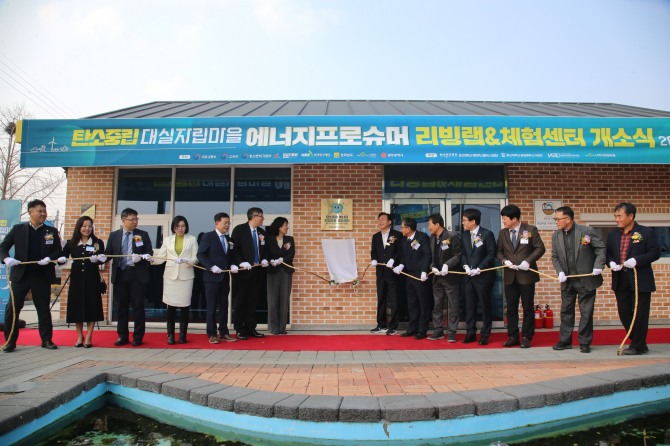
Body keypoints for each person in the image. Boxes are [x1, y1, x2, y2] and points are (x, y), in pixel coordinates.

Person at [1, 199, 62, 352]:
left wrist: (49, 258)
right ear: (30, 212)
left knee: (43, 309)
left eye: (44, 211)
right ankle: (10, 341)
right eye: (40, 211)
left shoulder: (51, 231)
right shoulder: (18, 229)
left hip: (41, 276)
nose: (43, 214)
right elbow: (3, 247)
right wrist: (6, 259)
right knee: (12, 309)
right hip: (21, 276)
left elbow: (58, 250)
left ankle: (46, 340)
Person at [606, 202, 660, 355]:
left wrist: (636, 260)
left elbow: (655, 253)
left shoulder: (646, 232)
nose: (617, 219)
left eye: (619, 216)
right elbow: (608, 252)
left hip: (640, 278)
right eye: (615, 216)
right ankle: (639, 342)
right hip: (620, 278)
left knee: (640, 313)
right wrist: (610, 262)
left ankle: (637, 346)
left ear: (630, 216)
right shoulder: (613, 234)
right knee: (624, 312)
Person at [550, 206, 606, 354]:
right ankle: (565, 340)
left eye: (558, 219)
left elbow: (600, 249)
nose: (556, 222)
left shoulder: (586, 231)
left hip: (586, 279)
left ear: (568, 219)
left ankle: (584, 342)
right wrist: (560, 271)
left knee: (586, 312)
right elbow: (555, 256)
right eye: (555, 219)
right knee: (566, 311)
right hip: (567, 280)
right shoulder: (556, 235)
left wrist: (598, 266)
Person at [496, 204, 546, 349]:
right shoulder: (503, 233)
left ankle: (526, 337)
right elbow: (499, 251)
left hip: (526, 275)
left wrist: (528, 261)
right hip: (510, 275)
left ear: (514, 219)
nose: (503, 221)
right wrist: (504, 261)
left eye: (505, 218)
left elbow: (540, 248)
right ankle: (512, 336)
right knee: (511, 308)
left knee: (527, 307)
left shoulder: (530, 230)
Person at [104, 208, 153, 347]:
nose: (135, 222)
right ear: (123, 220)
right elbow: (108, 253)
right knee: (121, 306)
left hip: (136, 274)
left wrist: (141, 257)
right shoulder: (114, 235)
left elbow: (149, 252)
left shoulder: (142, 235)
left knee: (138, 306)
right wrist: (100, 258)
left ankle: (138, 336)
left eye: (136, 219)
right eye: (132, 219)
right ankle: (122, 336)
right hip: (120, 273)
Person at [59, 216, 106, 348]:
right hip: (77, 279)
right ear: (79, 227)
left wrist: (99, 259)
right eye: (84, 226)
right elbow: (62, 257)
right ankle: (80, 336)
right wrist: (61, 259)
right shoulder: (71, 243)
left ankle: (89, 336)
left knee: (92, 306)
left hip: (92, 278)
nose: (87, 229)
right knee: (77, 307)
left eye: (90, 226)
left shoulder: (97, 242)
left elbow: (103, 258)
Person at [153, 216, 199, 345]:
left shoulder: (192, 239)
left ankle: (183, 335)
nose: (180, 228)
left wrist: (186, 260)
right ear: (173, 227)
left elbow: (196, 258)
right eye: (177, 226)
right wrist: (151, 259)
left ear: (186, 227)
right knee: (171, 307)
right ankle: (170, 335)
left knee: (185, 307)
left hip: (186, 276)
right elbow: (161, 257)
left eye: (183, 226)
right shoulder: (168, 240)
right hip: (171, 277)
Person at [197, 212, 238, 343]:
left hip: (224, 278)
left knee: (224, 306)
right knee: (212, 308)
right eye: (225, 223)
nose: (227, 225)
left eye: (228, 223)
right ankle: (212, 334)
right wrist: (211, 266)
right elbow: (200, 255)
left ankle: (224, 332)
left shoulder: (229, 239)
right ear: (216, 223)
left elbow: (231, 256)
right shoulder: (208, 237)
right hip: (211, 279)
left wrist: (233, 264)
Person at [231, 207, 269, 339]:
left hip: (257, 272)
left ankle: (251, 327)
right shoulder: (239, 230)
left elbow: (265, 249)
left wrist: (264, 259)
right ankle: (239, 328)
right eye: (261, 216)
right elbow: (234, 249)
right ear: (254, 217)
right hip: (243, 273)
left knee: (253, 302)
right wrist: (241, 262)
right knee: (241, 301)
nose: (263, 219)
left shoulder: (262, 232)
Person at [460, 208, 497, 345]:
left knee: (485, 305)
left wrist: (479, 268)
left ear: (473, 221)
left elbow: (491, 254)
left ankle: (485, 334)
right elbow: (463, 253)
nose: (463, 223)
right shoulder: (464, 235)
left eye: (464, 220)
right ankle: (470, 333)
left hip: (483, 277)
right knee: (469, 306)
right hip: (469, 277)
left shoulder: (487, 234)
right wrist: (465, 266)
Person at [393, 217, 431, 339]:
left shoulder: (422, 237)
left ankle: (422, 330)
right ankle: (412, 328)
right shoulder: (404, 240)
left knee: (423, 303)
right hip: (409, 274)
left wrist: (424, 270)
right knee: (412, 302)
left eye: (402, 227)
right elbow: (404, 256)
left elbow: (427, 254)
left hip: (420, 275)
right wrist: (401, 265)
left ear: (408, 228)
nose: (401, 230)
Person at [427, 214, 463, 342]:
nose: (428, 227)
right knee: (437, 305)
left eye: (430, 224)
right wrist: (432, 267)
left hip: (451, 277)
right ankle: (438, 330)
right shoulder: (432, 238)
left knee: (453, 306)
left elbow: (458, 255)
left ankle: (452, 332)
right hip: (437, 277)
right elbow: (432, 257)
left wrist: (447, 265)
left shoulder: (452, 236)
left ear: (437, 225)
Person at [369, 212, 403, 335]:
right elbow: (373, 251)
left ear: (389, 222)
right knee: (381, 297)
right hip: (380, 272)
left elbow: (400, 251)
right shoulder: (376, 236)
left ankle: (393, 326)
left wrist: (394, 259)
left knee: (394, 298)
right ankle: (381, 324)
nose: (380, 221)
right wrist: (374, 259)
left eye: (383, 219)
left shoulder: (397, 235)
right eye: (379, 219)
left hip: (392, 271)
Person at [265, 217, 295, 335]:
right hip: (273, 271)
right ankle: (273, 327)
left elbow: (291, 254)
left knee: (284, 299)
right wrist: (271, 260)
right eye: (285, 225)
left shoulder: (289, 239)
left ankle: (282, 328)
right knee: (272, 300)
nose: (287, 227)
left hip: (286, 271)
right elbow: (267, 253)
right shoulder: (269, 239)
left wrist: (281, 259)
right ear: (279, 226)